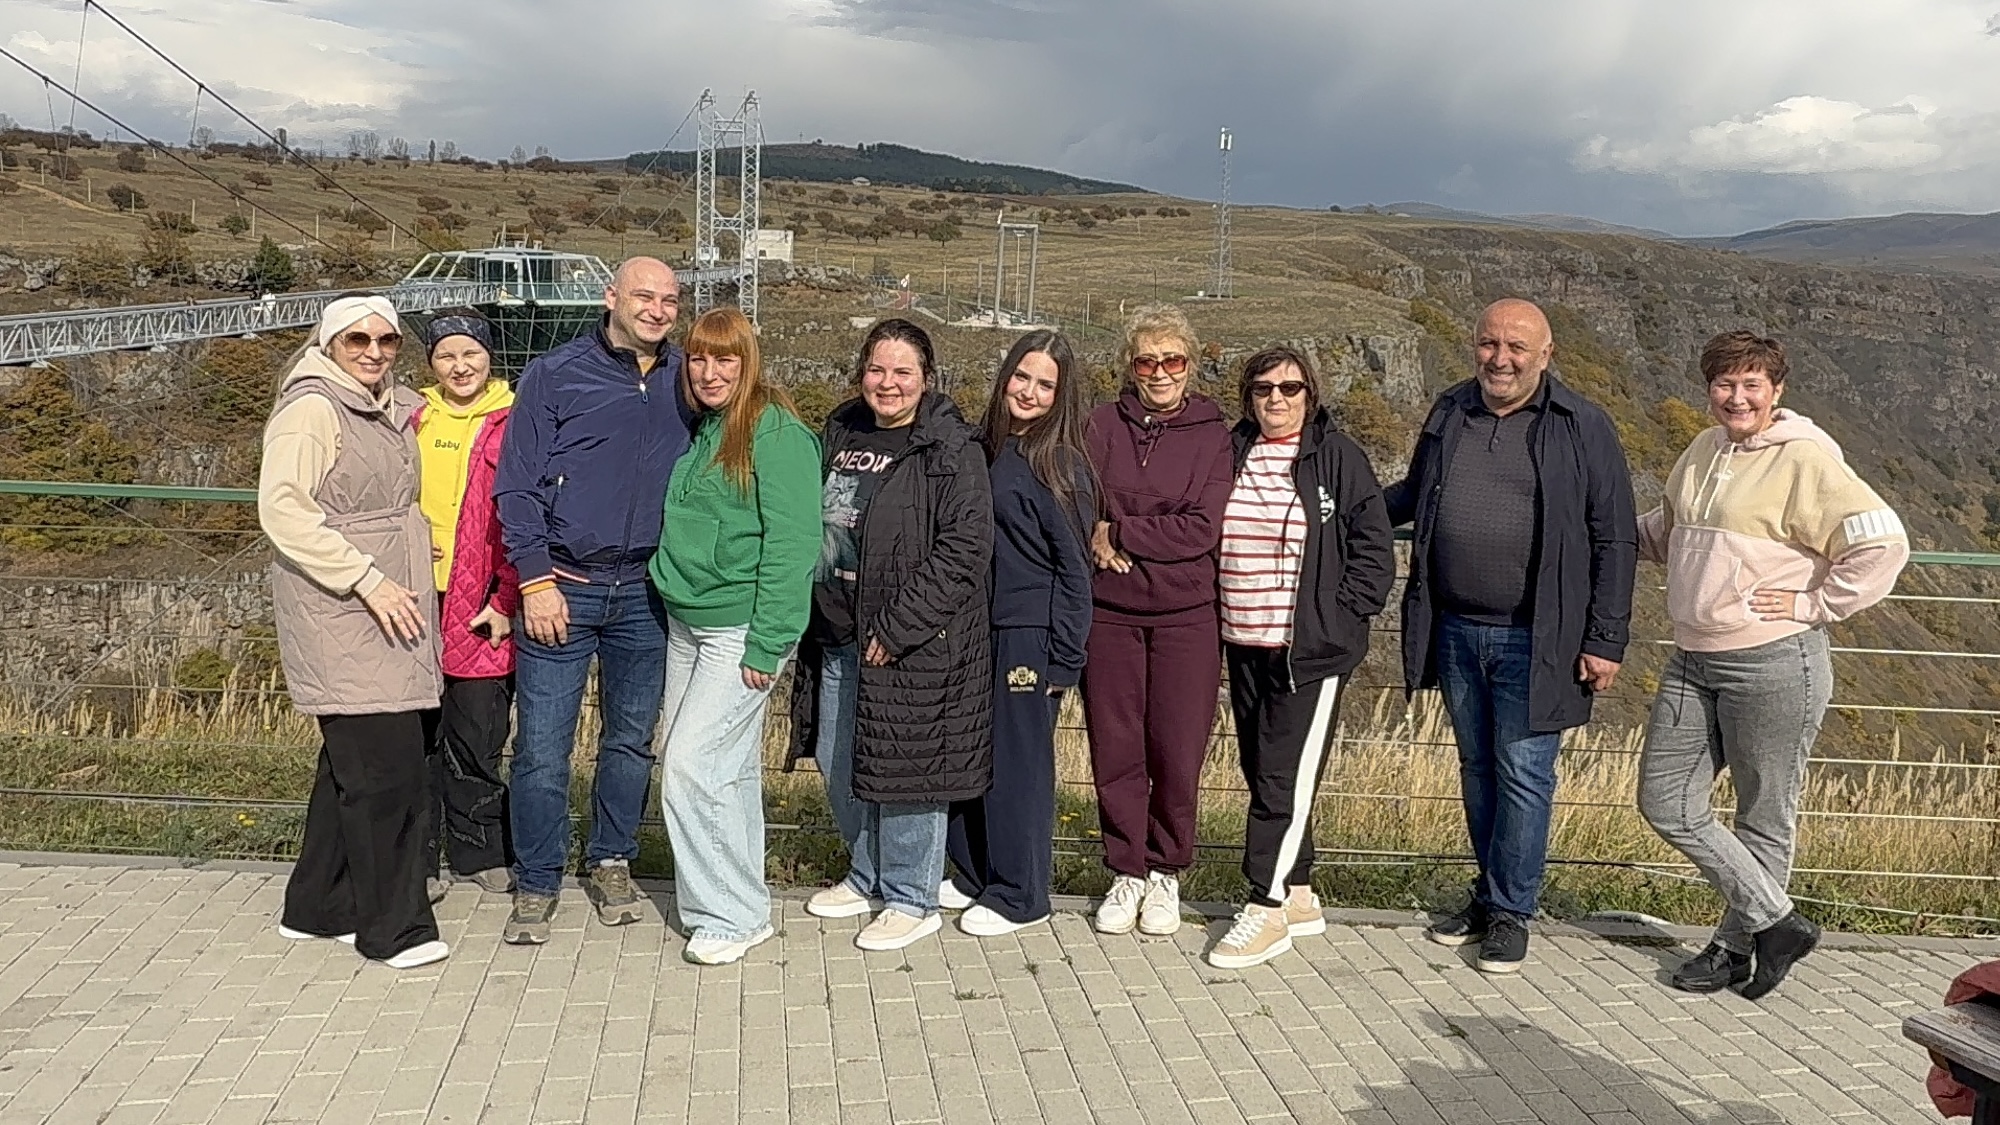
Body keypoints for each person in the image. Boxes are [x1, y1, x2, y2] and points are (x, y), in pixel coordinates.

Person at [1637, 330, 1907, 1000]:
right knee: (1665, 800)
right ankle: (1777, 922)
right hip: (1694, 657)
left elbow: (1883, 542)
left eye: (1751, 384)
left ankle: (1734, 948)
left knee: (1763, 813)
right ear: (1709, 390)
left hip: (1773, 660)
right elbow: (1667, 533)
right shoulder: (1702, 451)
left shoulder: (1805, 458)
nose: (1737, 397)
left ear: (1776, 390)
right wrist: (1587, 526)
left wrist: (1817, 602)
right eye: (1724, 384)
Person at [1385, 297, 1636, 975]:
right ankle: (1488, 894)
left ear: (1546, 354)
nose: (1500, 358)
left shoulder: (1582, 425)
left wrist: (1606, 637)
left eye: (1516, 347)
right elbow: (1414, 493)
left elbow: (1615, 537)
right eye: (1489, 343)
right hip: (1455, 628)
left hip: (1539, 636)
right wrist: (1339, 510)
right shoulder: (1450, 409)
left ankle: (1509, 912)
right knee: (1476, 769)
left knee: (1524, 774)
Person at [493, 257, 693, 944]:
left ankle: (611, 859)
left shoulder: (687, 378)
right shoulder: (554, 374)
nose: (657, 310)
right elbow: (516, 485)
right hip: (563, 588)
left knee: (631, 742)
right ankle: (538, 877)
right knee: (541, 747)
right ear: (611, 297)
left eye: (670, 300)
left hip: (647, 590)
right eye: (644, 295)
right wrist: (534, 579)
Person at [788, 319, 994, 952]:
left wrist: (902, 624)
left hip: (909, 641)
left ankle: (911, 896)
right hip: (837, 632)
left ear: (926, 378)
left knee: (908, 770)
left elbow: (965, 547)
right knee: (840, 760)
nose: (888, 383)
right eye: (877, 369)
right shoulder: (843, 428)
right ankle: (867, 873)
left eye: (903, 372)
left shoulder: (949, 447)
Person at [259, 294, 447, 970]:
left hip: (382, 604)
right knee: (387, 771)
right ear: (329, 343)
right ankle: (393, 929)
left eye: (386, 340)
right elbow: (283, 509)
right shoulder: (313, 409)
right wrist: (367, 575)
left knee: (354, 763)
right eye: (357, 340)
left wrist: (402, 549)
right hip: (343, 608)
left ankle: (319, 905)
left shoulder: (379, 405)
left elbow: (372, 506)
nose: (373, 351)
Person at [1207, 346, 1396, 969]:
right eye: (1264, 388)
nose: (1277, 399)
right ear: (1248, 396)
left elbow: (1373, 547)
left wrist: (1338, 618)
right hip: (1243, 641)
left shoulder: (1336, 458)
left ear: (1310, 394)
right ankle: (1299, 891)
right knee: (1263, 770)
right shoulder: (1231, 451)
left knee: (1281, 780)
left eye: (1290, 388)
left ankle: (1264, 905)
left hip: (1308, 651)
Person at [648, 308, 821, 965]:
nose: (709, 372)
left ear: (749, 362)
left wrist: (769, 641)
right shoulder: (708, 427)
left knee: (688, 767)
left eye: (725, 359)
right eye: (698, 358)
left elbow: (793, 544)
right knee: (728, 771)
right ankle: (744, 904)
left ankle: (726, 914)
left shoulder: (776, 434)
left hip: (739, 629)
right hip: (688, 624)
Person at [1082, 304, 1234, 937]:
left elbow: (1201, 528)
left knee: (1176, 747)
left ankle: (1167, 870)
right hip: (1109, 613)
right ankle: (1126, 870)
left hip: (1186, 617)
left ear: (1190, 365)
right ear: (1130, 367)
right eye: (1147, 362)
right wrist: (1097, 528)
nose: (1161, 372)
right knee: (1115, 745)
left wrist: (1119, 531)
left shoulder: (1214, 436)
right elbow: (1080, 501)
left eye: (1172, 360)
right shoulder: (1099, 426)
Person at [942, 330, 1095, 937]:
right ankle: (976, 872)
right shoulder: (989, 447)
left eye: (1045, 385)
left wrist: (1065, 658)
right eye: (1022, 376)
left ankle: (1021, 894)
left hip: (1030, 634)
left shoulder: (1061, 466)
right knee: (974, 753)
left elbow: (1075, 569)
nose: (1029, 392)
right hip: (980, 629)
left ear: (1062, 396)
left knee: (1018, 764)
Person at [413, 309, 518, 902]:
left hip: (484, 597)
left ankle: (480, 851)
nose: (460, 366)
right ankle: (419, 858)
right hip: (415, 593)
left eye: (470, 353)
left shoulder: (516, 419)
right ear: (431, 363)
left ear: (489, 357)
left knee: (478, 731)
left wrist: (508, 594)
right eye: (446, 356)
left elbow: (529, 511)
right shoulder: (412, 418)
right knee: (416, 733)